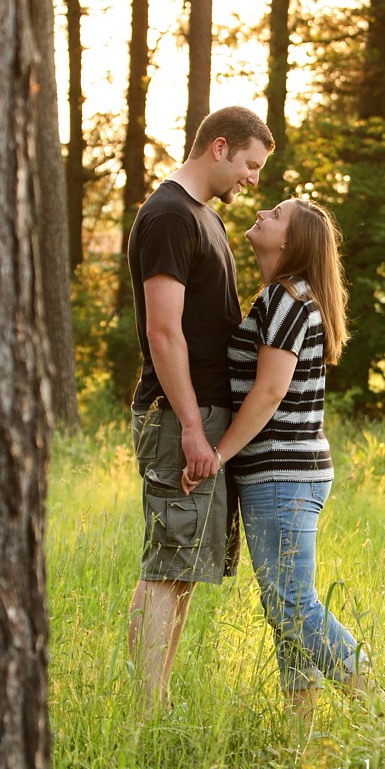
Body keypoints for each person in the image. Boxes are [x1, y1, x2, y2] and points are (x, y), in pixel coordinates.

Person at [188, 196, 369, 719]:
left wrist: (218, 454)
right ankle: (300, 732)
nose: (263, 215)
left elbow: (268, 393)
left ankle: (381, 700)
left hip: (282, 473)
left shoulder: (289, 299)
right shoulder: (278, 297)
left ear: (290, 241)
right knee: (285, 606)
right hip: (278, 473)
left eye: (276, 214)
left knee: (291, 604)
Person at [126, 106, 274, 709]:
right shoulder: (166, 216)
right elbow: (164, 332)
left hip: (202, 415)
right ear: (219, 148)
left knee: (180, 567)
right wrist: (190, 425)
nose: (253, 180)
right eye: (250, 165)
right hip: (177, 415)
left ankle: (154, 703)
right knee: (166, 565)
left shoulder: (203, 218)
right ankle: (143, 712)